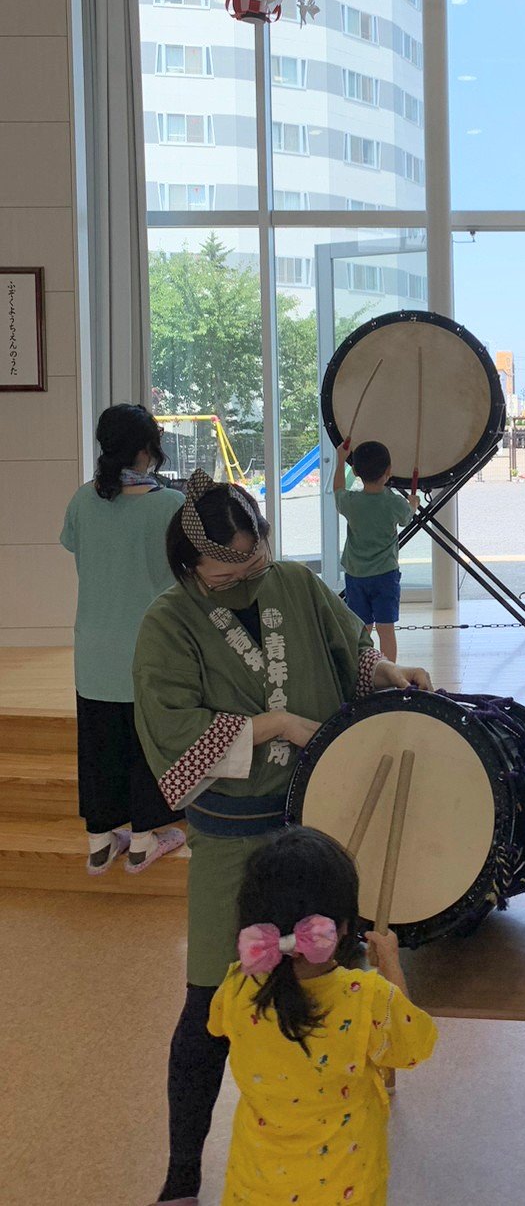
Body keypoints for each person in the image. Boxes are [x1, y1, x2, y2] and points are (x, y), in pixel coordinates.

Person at [133, 468, 432, 1206]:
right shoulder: (166, 626)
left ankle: (353, 1114)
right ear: (189, 564)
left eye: (256, 555)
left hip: (320, 826)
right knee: (210, 999)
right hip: (233, 838)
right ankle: (179, 1176)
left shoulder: (295, 584)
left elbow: (352, 653)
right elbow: (172, 740)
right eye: (230, 564)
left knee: (338, 976)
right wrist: (271, 724)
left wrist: (391, 671)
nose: (247, 572)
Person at [209, 826, 437, 1206]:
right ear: (345, 925)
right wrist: (392, 965)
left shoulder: (236, 984)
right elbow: (411, 1046)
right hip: (345, 1188)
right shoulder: (367, 997)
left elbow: (217, 1024)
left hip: (254, 1185)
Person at [59, 403, 186, 875]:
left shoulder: (81, 499)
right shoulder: (168, 505)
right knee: (145, 745)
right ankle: (144, 840)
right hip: (149, 650)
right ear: (146, 449)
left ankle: (98, 840)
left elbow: (73, 544)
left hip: (93, 649)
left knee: (98, 744)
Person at [333, 439, 417, 662]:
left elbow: (338, 490)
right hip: (385, 576)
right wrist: (413, 504)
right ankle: (390, 675)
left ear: (356, 470)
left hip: (356, 575)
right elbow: (407, 518)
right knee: (386, 629)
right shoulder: (394, 503)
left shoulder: (350, 502)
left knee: (363, 629)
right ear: (389, 471)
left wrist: (340, 460)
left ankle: (361, 670)